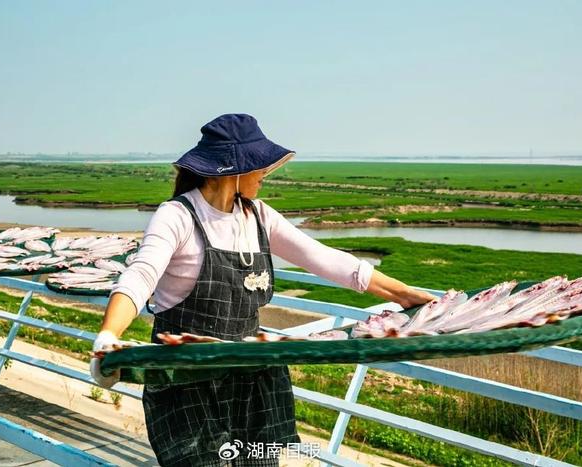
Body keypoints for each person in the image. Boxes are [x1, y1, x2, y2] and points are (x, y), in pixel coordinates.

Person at [90, 114, 436, 466]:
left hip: (251, 378)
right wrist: (107, 336)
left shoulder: (259, 216)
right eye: (259, 167)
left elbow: (328, 260)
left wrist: (405, 295)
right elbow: (139, 276)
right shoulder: (177, 216)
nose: (265, 174)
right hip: (187, 379)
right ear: (233, 169)